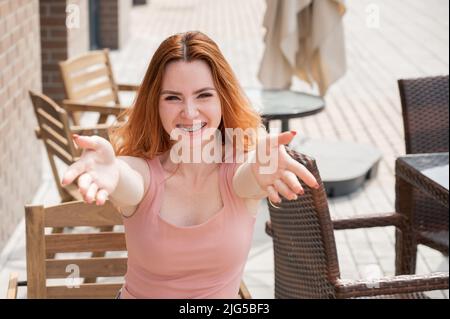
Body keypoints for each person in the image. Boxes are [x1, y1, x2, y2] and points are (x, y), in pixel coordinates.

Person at [61, 31, 319, 299]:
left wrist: (260, 168)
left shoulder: (241, 167)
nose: (190, 112)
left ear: (223, 98)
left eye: (204, 95)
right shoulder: (143, 172)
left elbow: (247, 177)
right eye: (173, 98)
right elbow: (128, 177)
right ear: (156, 104)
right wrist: (112, 170)